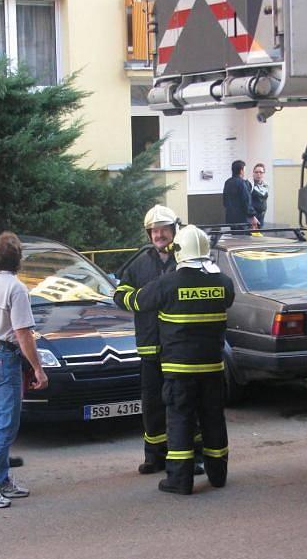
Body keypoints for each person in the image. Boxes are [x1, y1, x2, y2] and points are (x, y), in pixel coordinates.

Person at [132, 224, 235, 495]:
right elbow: (229, 300)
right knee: (213, 419)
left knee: (180, 419)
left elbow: (138, 301)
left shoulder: (168, 283)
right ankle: (217, 474)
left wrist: (120, 294)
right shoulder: (222, 282)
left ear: (179, 251)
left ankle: (179, 479)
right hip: (213, 367)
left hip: (179, 370)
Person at [0, 232, 48, 509]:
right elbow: (23, 333)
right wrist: (38, 369)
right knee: (6, 424)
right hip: (5, 356)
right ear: (19, 259)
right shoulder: (16, 289)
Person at [114, 204, 179, 474]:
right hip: (150, 346)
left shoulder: (186, 260)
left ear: (174, 231)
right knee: (152, 403)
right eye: (154, 231)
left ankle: (190, 455)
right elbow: (120, 295)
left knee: (181, 402)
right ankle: (155, 456)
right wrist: (142, 300)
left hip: (179, 348)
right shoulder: (140, 262)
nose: (159, 235)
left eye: (163, 230)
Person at [222, 160, 259, 229]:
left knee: (233, 238)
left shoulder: (227, 182)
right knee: (243, 238)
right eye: (244, 169)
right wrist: (252, 216)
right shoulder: (242, 183)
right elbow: (246, 201)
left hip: (229, 218)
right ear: (241, 170)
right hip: (242, 219)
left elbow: (224, 201)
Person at [249, 163, 269, 227]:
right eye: (256, 172)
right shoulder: (249, 184)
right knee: (253, 235)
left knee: (260, 234)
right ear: (253, 173)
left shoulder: (266, 185)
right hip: (252, 217)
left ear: (264, 174)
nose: (258, 174)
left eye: (261, 172)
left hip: (262, 216)